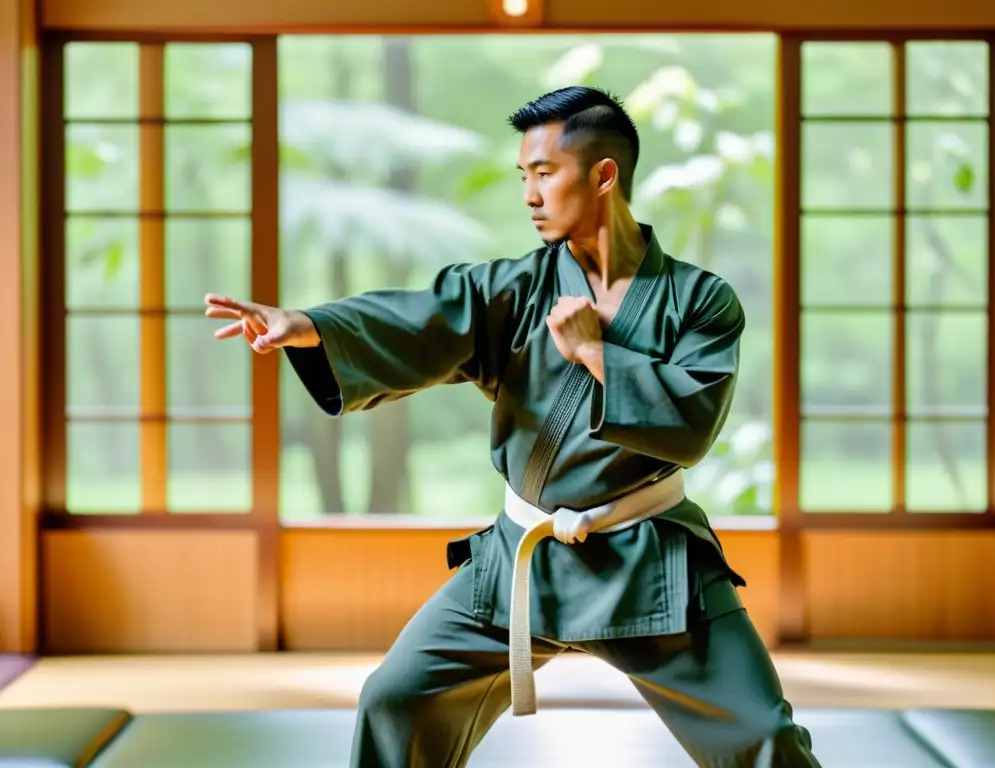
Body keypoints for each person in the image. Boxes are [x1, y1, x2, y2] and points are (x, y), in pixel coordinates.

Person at [205, 86, 820, 768]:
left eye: (545, 173)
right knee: (395, 699)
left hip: (648, 560)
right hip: (522, 557)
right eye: (523, 176)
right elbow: (422, 317)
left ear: (604, 175)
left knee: (762, 733)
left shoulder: (700, 301)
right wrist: (314, 328)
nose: (529, 194)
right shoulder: (514, 289)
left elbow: (693, 424)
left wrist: (594, 353)